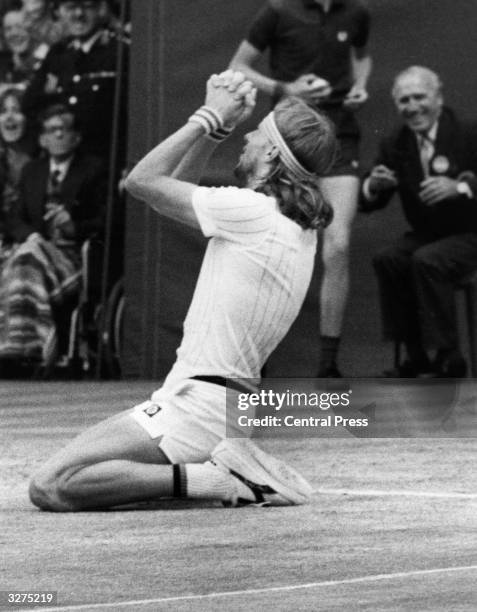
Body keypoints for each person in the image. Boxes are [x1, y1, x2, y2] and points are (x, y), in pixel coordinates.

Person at [28, 70, 338, 511]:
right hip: (214, 405)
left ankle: (218, 480)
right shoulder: (285, 222)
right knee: (62, 479)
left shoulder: (251, 211)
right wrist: (219, 131)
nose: (246, 138)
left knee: (52, 485)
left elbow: (141, 182)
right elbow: (167, 195)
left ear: (271, 150)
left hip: (200, 410)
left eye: (256, 133)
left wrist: (208, 116)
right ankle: (220, 474)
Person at [229, 0, 372, 377]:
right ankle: (254, 360)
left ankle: (328, 365)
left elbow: (362, 58)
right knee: (270, 242)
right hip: (289, 136)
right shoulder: (278, 11)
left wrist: (360, 84)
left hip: (340, 134)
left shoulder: (355, 13)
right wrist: (286, 87)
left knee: (338, 244)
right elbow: (237, 66)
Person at [360, 66, 477, 377]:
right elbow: (370, 198)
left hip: (470, 232)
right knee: (389, 259)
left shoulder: (468, 132)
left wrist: (461, 188)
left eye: (419, 97)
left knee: (427, 260)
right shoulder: (395, 142)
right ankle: (415, 355)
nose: (412, 107)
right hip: (429, 233)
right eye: (404, 101)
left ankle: (449, 355)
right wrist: (374, 185)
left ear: (438, 98)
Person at [0, 103, 105, 375]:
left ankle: (24, 348)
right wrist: (32, 235)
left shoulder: (94, 170)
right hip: (34, 251)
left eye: (63, 129)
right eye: (51, 130)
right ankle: (24, 347)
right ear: (42, 139)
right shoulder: (32, 171)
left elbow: (107, 221)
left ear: (76, 136)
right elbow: (13, 218)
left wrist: (74, 226)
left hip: (70, 260)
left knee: (23, 259)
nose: (58, 135)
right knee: (26, 258)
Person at [22, 0, 129, 166]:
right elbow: (30, 105)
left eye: (87, 6)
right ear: (59, 12)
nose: (78, 14)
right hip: (62, 165)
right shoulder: (57, 54)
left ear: (101, 9)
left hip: (104, 165)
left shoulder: (120, 52)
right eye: (71, 7)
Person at [0, 87, 33, 257]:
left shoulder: (41, 158)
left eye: (16, 110)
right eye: (3, 110)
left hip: (28, 239)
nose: (9, 117)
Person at [0, 6, 49, 91]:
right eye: (8, 29)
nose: (14, 33)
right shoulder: (3, 62)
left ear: (33, 29)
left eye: (20, 27)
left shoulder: (50, 59)